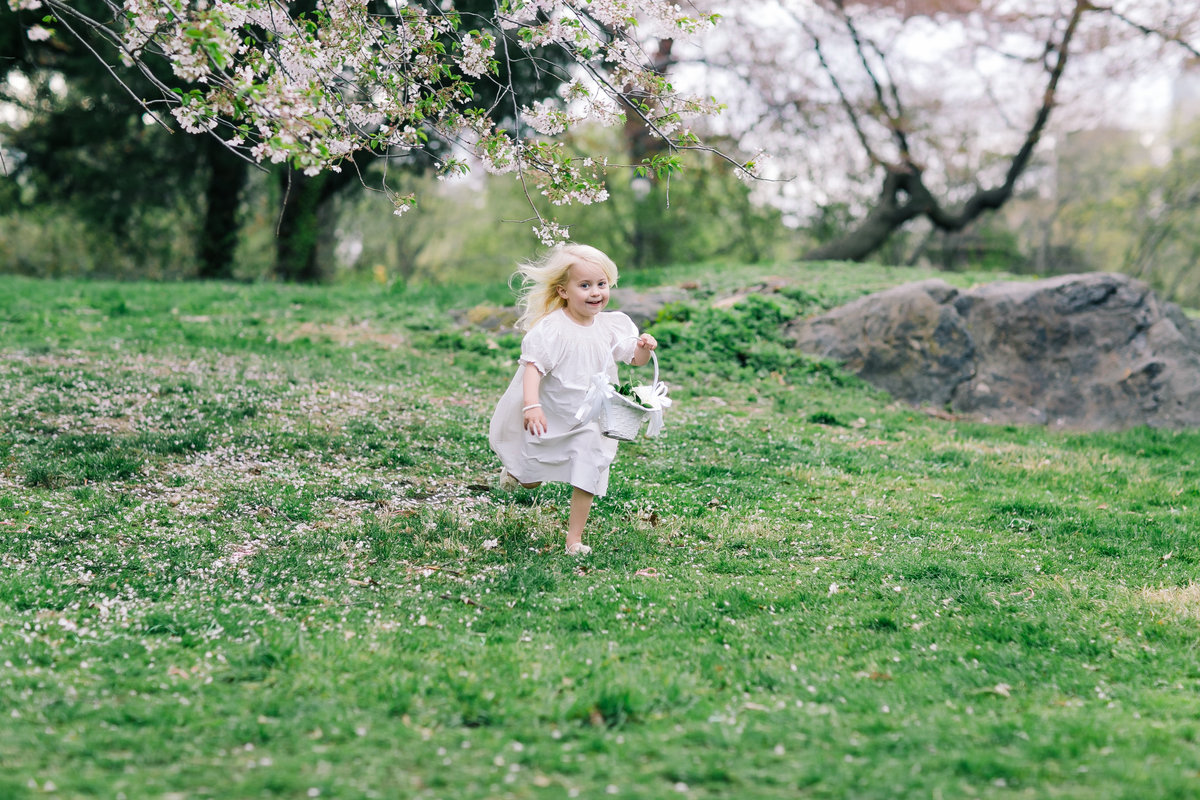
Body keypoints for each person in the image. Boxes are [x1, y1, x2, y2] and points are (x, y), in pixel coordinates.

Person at [488, 244, 657, 555]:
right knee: (531, 478)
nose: (595, 293)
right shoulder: (553, 329)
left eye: (601, 284)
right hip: (552, 412)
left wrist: (644, 347)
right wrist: (532, 406)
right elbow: (532, 369)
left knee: (591, 462)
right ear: (563, 291)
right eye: (585, 285)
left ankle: (574, 539)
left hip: (593, 416)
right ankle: (516, 471)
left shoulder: (612, 326)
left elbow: (635, 360)